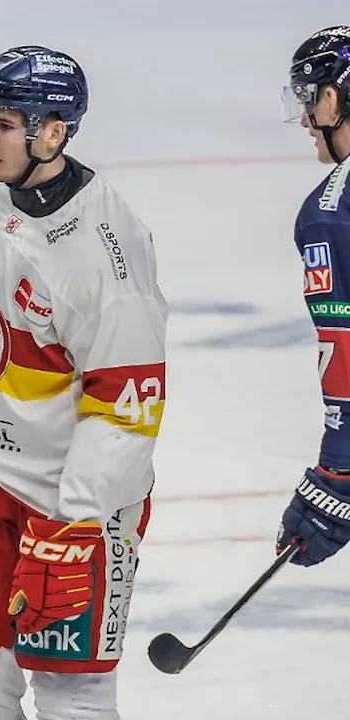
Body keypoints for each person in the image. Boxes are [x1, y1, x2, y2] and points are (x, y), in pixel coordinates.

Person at [0, 46, 167, 720]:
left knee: (73, 694)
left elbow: (127, 409)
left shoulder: (104, 250)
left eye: (5, 124)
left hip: (69, 510)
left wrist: (75, 523)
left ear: (54, 132)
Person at [276, 27, 350, 567]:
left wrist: (337, 474)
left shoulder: (332, 210)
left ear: (332, 98)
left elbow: (344, 353)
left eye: (308, 99)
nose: (305, 120)